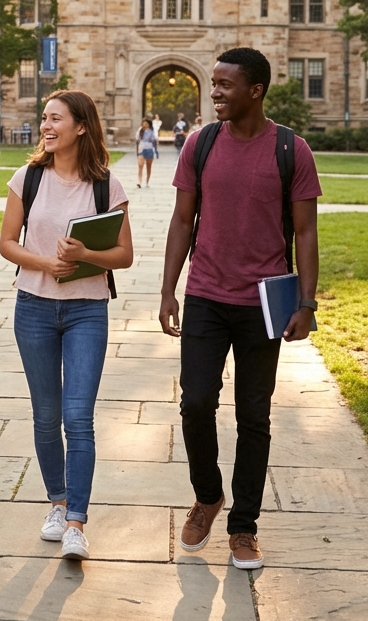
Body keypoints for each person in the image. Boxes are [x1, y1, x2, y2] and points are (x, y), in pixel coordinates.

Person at [159, 48, 321, 570]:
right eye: (213, 83)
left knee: (254, 416)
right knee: (196, 403)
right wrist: (168, 290)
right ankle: (208, 496)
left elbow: (305, 231)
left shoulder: (290, 150)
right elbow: (183, 221)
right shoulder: (200, 144)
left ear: (255, 90)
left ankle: (244, 526)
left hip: (263, 305)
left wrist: (307, 303)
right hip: (206, 294)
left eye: (226, 85)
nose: (215, 92)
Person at [0, 90, 134, 561]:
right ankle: (56, 503)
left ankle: (77, 520)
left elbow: (124, 256)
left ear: (81, 126)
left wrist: (85, 256)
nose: (46, 125)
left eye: (55, 118)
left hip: (86, 310)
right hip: (33, 307)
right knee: (44, 415)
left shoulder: (106, 186)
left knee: (78, 417)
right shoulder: (27, 178)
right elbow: (6, 244)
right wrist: (44, 264)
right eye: (44, 117)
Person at [136, 118, 158, 187]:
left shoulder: (152, 131)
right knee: (140, 165)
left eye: (146, 124)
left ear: (149, 125)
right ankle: (139, 182)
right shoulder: (140, 131)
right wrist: (137, 150)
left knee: (148, 167)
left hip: (149, 149)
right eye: (143, 124)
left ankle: (147, 182)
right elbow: (137, 140)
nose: (144, 125)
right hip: (141, 149)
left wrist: (156, 152)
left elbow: (155, 141)